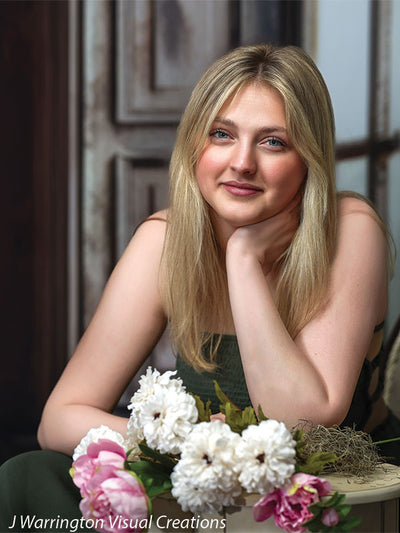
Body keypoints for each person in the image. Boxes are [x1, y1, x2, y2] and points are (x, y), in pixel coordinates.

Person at [1, 43, 399, 531]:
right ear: (196, 146)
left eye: (273, 141)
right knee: (26, 478)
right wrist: (191, 442)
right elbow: (58, 419)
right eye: (222, 135)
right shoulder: (165, 242)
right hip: (201, 495)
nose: (242, 162)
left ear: (308, 159)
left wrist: (243, 260)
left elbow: (303, 422)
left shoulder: (352, 228)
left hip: (330, 501)